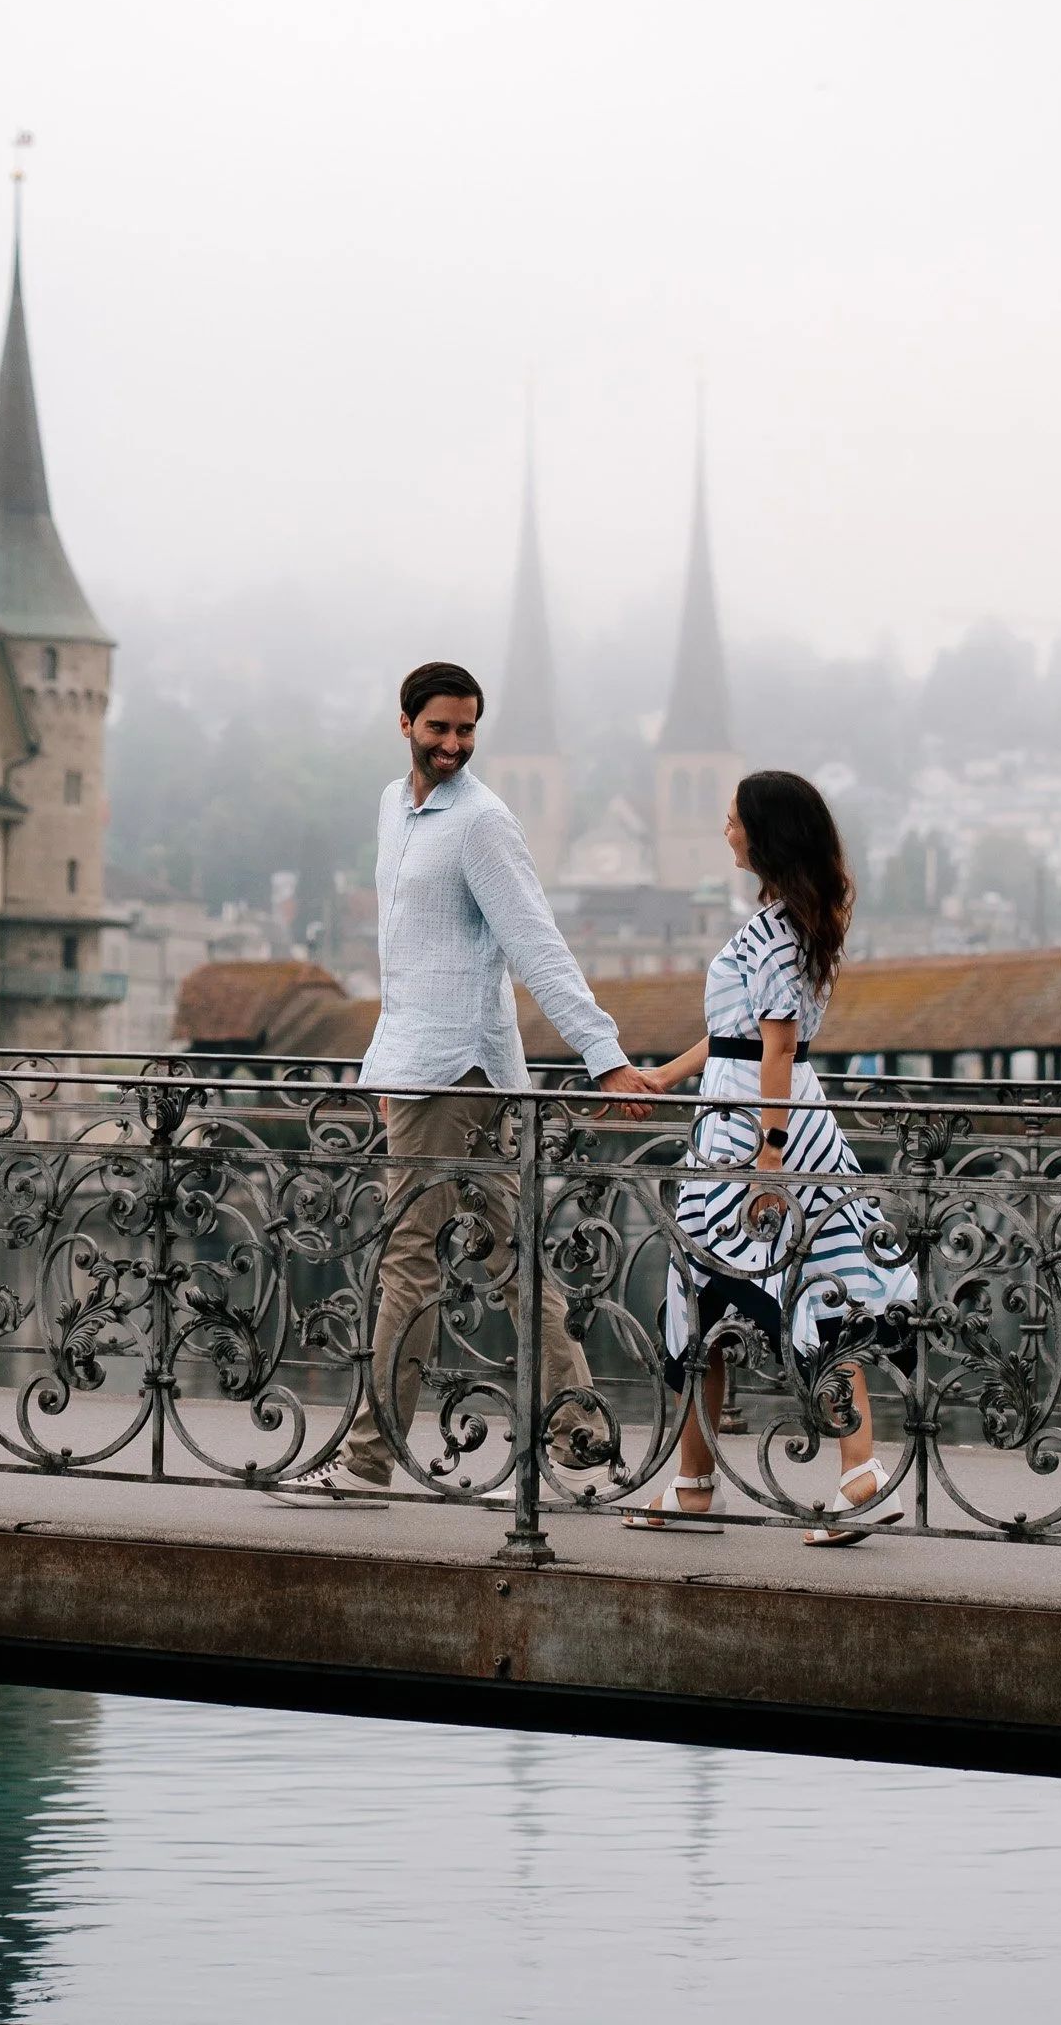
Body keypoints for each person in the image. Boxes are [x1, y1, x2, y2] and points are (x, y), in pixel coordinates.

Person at [322, 660, 652, 1494]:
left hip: (458, 1072)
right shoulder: (393, 810)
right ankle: (579, 1429)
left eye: (467, 729)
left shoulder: (482, 824)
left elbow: (535, 942)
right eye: (439, 728)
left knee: (409, 1261)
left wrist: (603, 1053)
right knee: (508, 1258)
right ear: (404, 724)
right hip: (422, 1064)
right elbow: (408, 954)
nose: (454, 745)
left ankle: (366, 1460)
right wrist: (386, 1064)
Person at [626, 768, 916, 1543]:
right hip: (751, 1112)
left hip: (753, 1129)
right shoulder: (789, 920)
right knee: (802, 1286)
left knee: (718, 1292)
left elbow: (777, 1049)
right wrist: (667, 1072)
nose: (724, 830)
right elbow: (740, 1033)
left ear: (765, 832)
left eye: (732, 820)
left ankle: (719, 1485)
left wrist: (768, 1157)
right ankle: (828, 1477)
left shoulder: (779, 929)